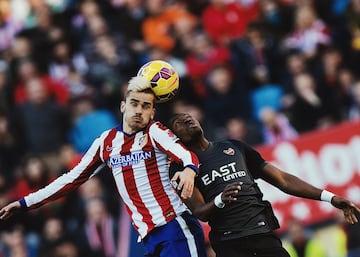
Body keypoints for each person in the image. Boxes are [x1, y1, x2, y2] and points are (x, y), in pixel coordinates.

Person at [0, 76, 207, 257]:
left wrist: (189, 169)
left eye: (146, 106)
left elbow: (186, 154)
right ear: (123, 106)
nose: (139, 110)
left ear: (152, 112)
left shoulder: (155, 132)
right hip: (149, 236)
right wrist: (26, 202)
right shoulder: (106, 142)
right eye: (134, 103)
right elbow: (71, 179)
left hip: (175, 227)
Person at [168, 112, 360, 257]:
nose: (186, 120)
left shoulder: (234, 147)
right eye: (179, 123)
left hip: (262, 235)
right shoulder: (181, 168)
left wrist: (331, 197)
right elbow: (199, 210)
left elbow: (282, 180)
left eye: (188, 117)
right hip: (229, 244)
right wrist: (219, 200)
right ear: (174, 137)